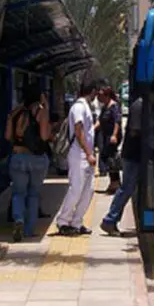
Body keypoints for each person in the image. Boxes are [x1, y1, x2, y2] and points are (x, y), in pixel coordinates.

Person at [5, 84, 51, 242]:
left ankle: (18, 219)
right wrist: (46, 107)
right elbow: (45, 136)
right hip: (37, 159)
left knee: (18, 193)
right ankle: (29, 230)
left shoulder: (16, 112)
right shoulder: (40, 111)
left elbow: (7, 136)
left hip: (18, 157)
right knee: (33, 195)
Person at [54, 78, 99, 235]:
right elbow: (79, 132)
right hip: (79, 155)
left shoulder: (86, 106)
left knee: (89, 190)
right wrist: (88, 154)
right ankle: (63, 221)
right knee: (76, 189)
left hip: (86, 155)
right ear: (92, 91)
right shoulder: (78, 107)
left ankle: (77, 222)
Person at [100, 96, 143, 236]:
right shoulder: (139, 105)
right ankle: (109, 220)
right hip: (133, 155)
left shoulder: (141, 104)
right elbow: (134, 131)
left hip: (135, 155)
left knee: (128, 188)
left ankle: (111, 220)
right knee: (126, 188)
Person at [94, 86, 122, 194]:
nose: (99, 98)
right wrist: (92, 129)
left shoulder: (114, 106)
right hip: (105, 136)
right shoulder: (105, 107)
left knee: (111, 158)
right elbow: (100, 120)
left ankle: (115, 183)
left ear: (107, 96)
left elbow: (117, 122)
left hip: (112, 137)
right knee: (106, 157)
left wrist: (114, 135)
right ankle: (115, 182)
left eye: (100, 96)